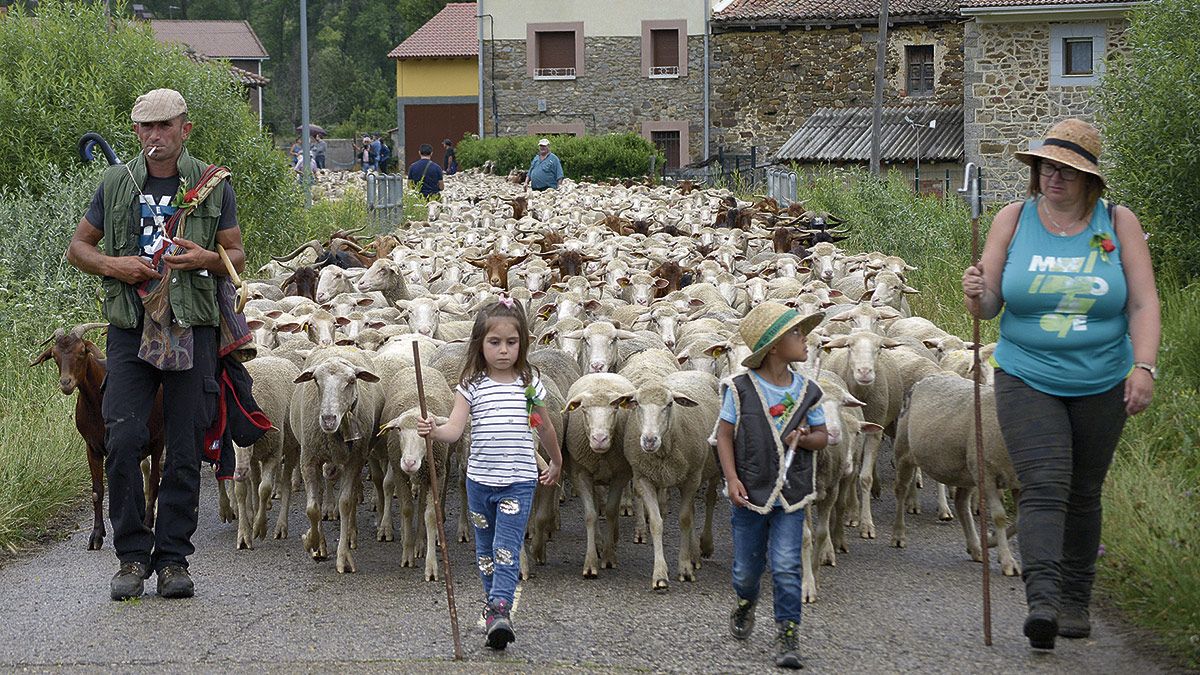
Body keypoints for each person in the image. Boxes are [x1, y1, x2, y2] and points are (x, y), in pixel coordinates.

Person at [962, 118, 1160, 650]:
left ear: (1089, 179)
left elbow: (1142, 302)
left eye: (1067, 169)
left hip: (1102, 378)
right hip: (1027, 373)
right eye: (1048, 166)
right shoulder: (1013, 219)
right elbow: (990, 305)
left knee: (1084, 491)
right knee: (1045, 484)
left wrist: (1144, 367)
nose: (1054, 176)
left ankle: (1076, 599)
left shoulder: (1119, 224)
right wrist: (976, 291)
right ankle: (1042, 602)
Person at [65, 88, 246, 601]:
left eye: (165, 126)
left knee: (185, 447)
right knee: (121, 440)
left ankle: (172, 561)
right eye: (145, 128)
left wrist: (205, 258)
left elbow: (236, 254)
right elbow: (79, 246)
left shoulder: (213, 186)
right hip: (129, 327)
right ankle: (130, 557)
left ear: (184, 130)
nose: (154, 136)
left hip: (192, 326)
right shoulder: (114, 185)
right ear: (136, 132)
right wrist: (113, 265)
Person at [416, 296, 563, 651]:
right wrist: (432, 430)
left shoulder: (529, 383)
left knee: (506, 547)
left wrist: (556, 460)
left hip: (519, 480)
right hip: (479, 481)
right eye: (494, 342)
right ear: (480, 344)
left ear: (523, 343)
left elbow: (542, 425)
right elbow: (454, 428)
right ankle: (494, 606)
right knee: (484, 551)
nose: (503, 351)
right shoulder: (471, 385)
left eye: (511, 343)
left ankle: (500, 609)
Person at [714, 302, 827, 670]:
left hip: (792, 495)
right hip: (749, 492)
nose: (805, 338)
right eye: (797, 333)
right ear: (775, 347)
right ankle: (746, 601)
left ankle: (788, 632)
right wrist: (731, 478)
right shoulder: (739, 389)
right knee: (747, 570)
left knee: (785, 565)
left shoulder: (808, 391)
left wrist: (807, 437)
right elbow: (724, 435)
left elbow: (824, 436)